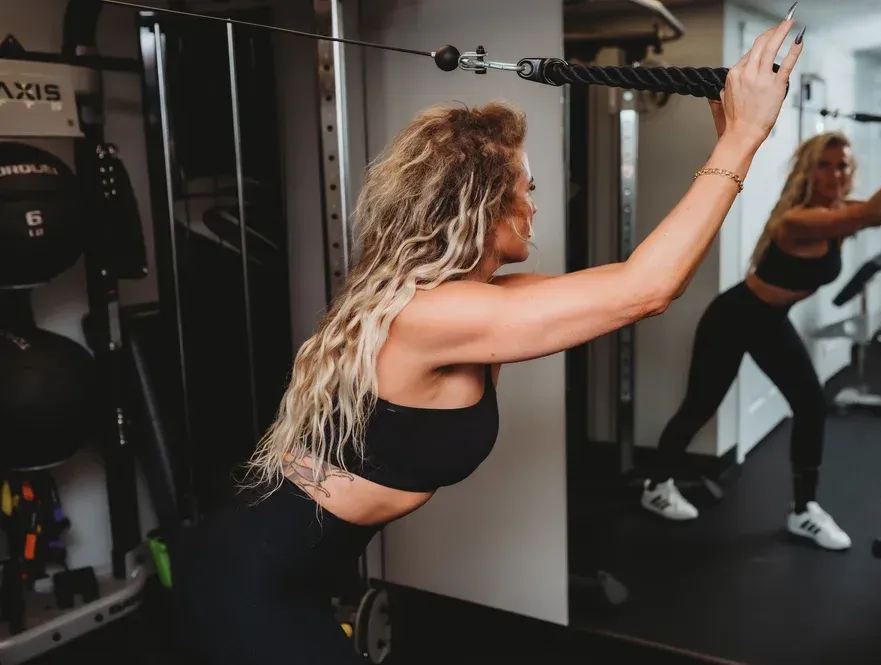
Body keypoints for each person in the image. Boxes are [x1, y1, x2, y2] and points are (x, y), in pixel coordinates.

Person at [168, 11, 805, 664]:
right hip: (249, 577)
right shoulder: (429, 315)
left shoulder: (480, 300)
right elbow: (648, 288)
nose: (535, 202)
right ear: (480, 204)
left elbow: (631, 284)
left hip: (296, 567)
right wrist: (743, 139)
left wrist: (734, 139)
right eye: (524, 189)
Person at [638, 95, 881, 550]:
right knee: (700, 406)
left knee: (810, 406)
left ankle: (803, 511)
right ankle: (656, 485)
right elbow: (874, 212)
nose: (837, 175)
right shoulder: (798, 221)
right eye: (826, 166)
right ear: (808, 171)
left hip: (770, 319)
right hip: (735, 317)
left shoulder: (838, 214)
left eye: (843, 166)